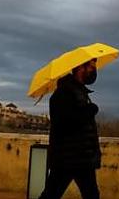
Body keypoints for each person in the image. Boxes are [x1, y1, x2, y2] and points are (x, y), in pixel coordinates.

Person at [38, 58, 101, 199]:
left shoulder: (79, 92)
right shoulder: (62, 94)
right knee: (51, 195)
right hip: (67, 159)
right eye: (91, 67)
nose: (94, 70)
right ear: (80, 68)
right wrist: (90, 110)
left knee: (91, 195)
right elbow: (65, 123)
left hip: (81, 158)